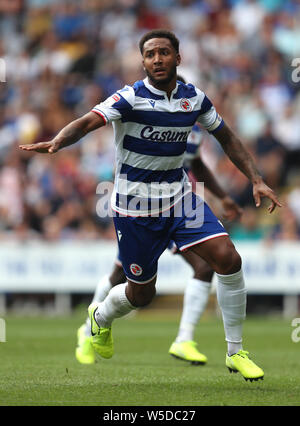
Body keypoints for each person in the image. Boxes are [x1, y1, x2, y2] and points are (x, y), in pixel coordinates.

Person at [20, 29, 282, 382]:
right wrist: (57, 141)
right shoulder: (129, 98)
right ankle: (99, 319)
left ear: (178, 57)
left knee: (228, 258)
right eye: (150, 54)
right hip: (134, 209)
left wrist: (256, 177)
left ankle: (235, 352)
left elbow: (227, 137)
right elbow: (86, 122)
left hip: (180, 200)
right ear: (143, 62)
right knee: (141, 295)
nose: (157, 59)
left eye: (163, 52)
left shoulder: (194, 99)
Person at [75, 78, 243, 366]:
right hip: (137, 209)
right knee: (126, 282)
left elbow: (197, 164)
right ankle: (89, 325)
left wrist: (223, 196)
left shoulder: (191, 130)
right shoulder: (140, 114)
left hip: (175, 207)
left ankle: (184, 338)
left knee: (205, 266)